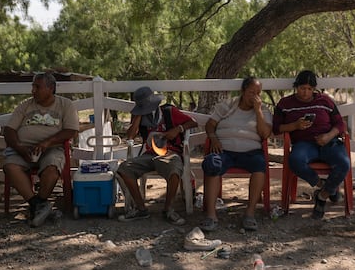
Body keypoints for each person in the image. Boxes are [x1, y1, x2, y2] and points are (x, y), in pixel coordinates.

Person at [3, 73, 79, 227]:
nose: (33, 90)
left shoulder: (65, 105)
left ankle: (39, 205)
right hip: (23, 148)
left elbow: (71, 131)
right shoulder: (25, 105)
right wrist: (19, 148)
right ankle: (38, 204)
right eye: (33, 86)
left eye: (37, 87)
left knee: (52, 168)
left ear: (51, 88)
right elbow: (9, 130)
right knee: (10, 167)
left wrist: (47, 142)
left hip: (52, 148)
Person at [273, 70, 350, 219]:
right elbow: (276, 128)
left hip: (328, 142)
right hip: (304, 144)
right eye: (302, 88)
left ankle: (322, 197)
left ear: (314, 89)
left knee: (344, 163)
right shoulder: (285, 104)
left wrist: (328, 136)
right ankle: (326, 187)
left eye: (309, 89)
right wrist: (294, 125)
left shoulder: (325, 101)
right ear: (296, 87)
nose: (306, 92)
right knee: (295, 160)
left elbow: (340, 123)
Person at [117, 86, 198, 225]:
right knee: (124, 168)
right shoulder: (140, 117)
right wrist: (138, 116)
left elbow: (193, 122)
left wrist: (177, 129)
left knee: (174, 171)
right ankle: (141, 208)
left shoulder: (168, 112)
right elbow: (130, 136)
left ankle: (168, 209)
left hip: (170, 152)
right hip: (149, 154)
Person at [200, 77, 272, 232]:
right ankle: (211, 215)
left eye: (258, 93)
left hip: (250, 151)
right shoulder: (228, 105)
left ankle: (249, 213)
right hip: (224, 149)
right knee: (212, 164)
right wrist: (213, 139)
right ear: (243, 91)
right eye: (251, 92)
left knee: (260, 165)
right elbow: (210, 125)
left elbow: (265, 134)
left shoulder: (263, 110)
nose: (254, 96)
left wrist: (258, 111)